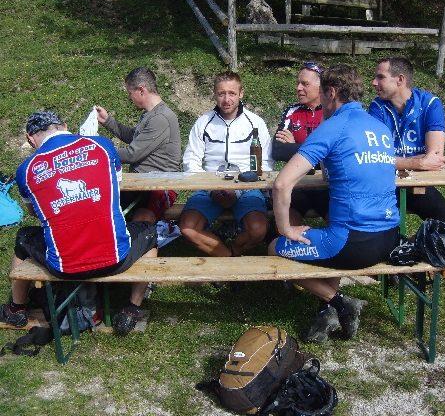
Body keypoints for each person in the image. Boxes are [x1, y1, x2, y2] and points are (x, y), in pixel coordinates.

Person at [269, 65, 400, 343]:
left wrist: (285, 229)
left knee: (273, 248)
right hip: (390, 236)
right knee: (330, 232)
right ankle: (327, 311)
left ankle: (341, 303)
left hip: (354, 243)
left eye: (322, 95)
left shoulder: (332, 127)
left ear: (330, 93)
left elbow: (281, 184)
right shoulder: (380, 128)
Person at [0, 111, 158, 335]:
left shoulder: (26, 170)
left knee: (24, 236)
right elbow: (114, 190)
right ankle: (132, 308)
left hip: (64, 267)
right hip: (115, 259)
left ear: (30, 138)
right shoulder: (102, 146)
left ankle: (16, 309)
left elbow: (35, 212)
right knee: (149, 231)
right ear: (65, 125)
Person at [180, 71, 274, 258]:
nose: (226, 99)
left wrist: (240, 188)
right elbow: (191, 160)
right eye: (221, 93)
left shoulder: (255, 122)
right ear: (214, 94)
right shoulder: (203, 122)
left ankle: (235, 250)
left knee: (258, 230)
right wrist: (211, 187)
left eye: (232, 93)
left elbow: (265, 163)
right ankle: (228, 258)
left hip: (247, 187)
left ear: (241, 93)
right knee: (188, 228)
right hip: (209, 186)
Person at [369, 56, 445, 234]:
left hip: (418, 184)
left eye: (380, 77)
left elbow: (435, 157)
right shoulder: (377, 107)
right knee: (382, 236)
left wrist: (394, 161)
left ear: (400, 79)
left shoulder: (429, 104)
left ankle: (413, 245)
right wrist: (419, 162)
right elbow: (375, 158)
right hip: (384, 186)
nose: (373, 82)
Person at [96, 67, 181, 220]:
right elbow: (135, 138)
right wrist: (107, 121)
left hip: (159, 186)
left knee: (132, 218)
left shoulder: (160, 117)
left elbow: (132, 154)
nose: (129, 98)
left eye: (130, 93)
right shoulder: (150, 114)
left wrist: (99, 152)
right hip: (142, 183)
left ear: (141, 90)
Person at [272, 61, 328, 225]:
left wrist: (294, 146)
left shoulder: (331, 111)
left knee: (339, 223)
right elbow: (277, 150)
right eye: (298, 83)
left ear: (321, 87)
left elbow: (336, 153)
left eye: (305, 84)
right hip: (298, 184)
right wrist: (319, 152)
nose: (298, 88)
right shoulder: (292, 111)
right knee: (286, 221)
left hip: (326, 185)